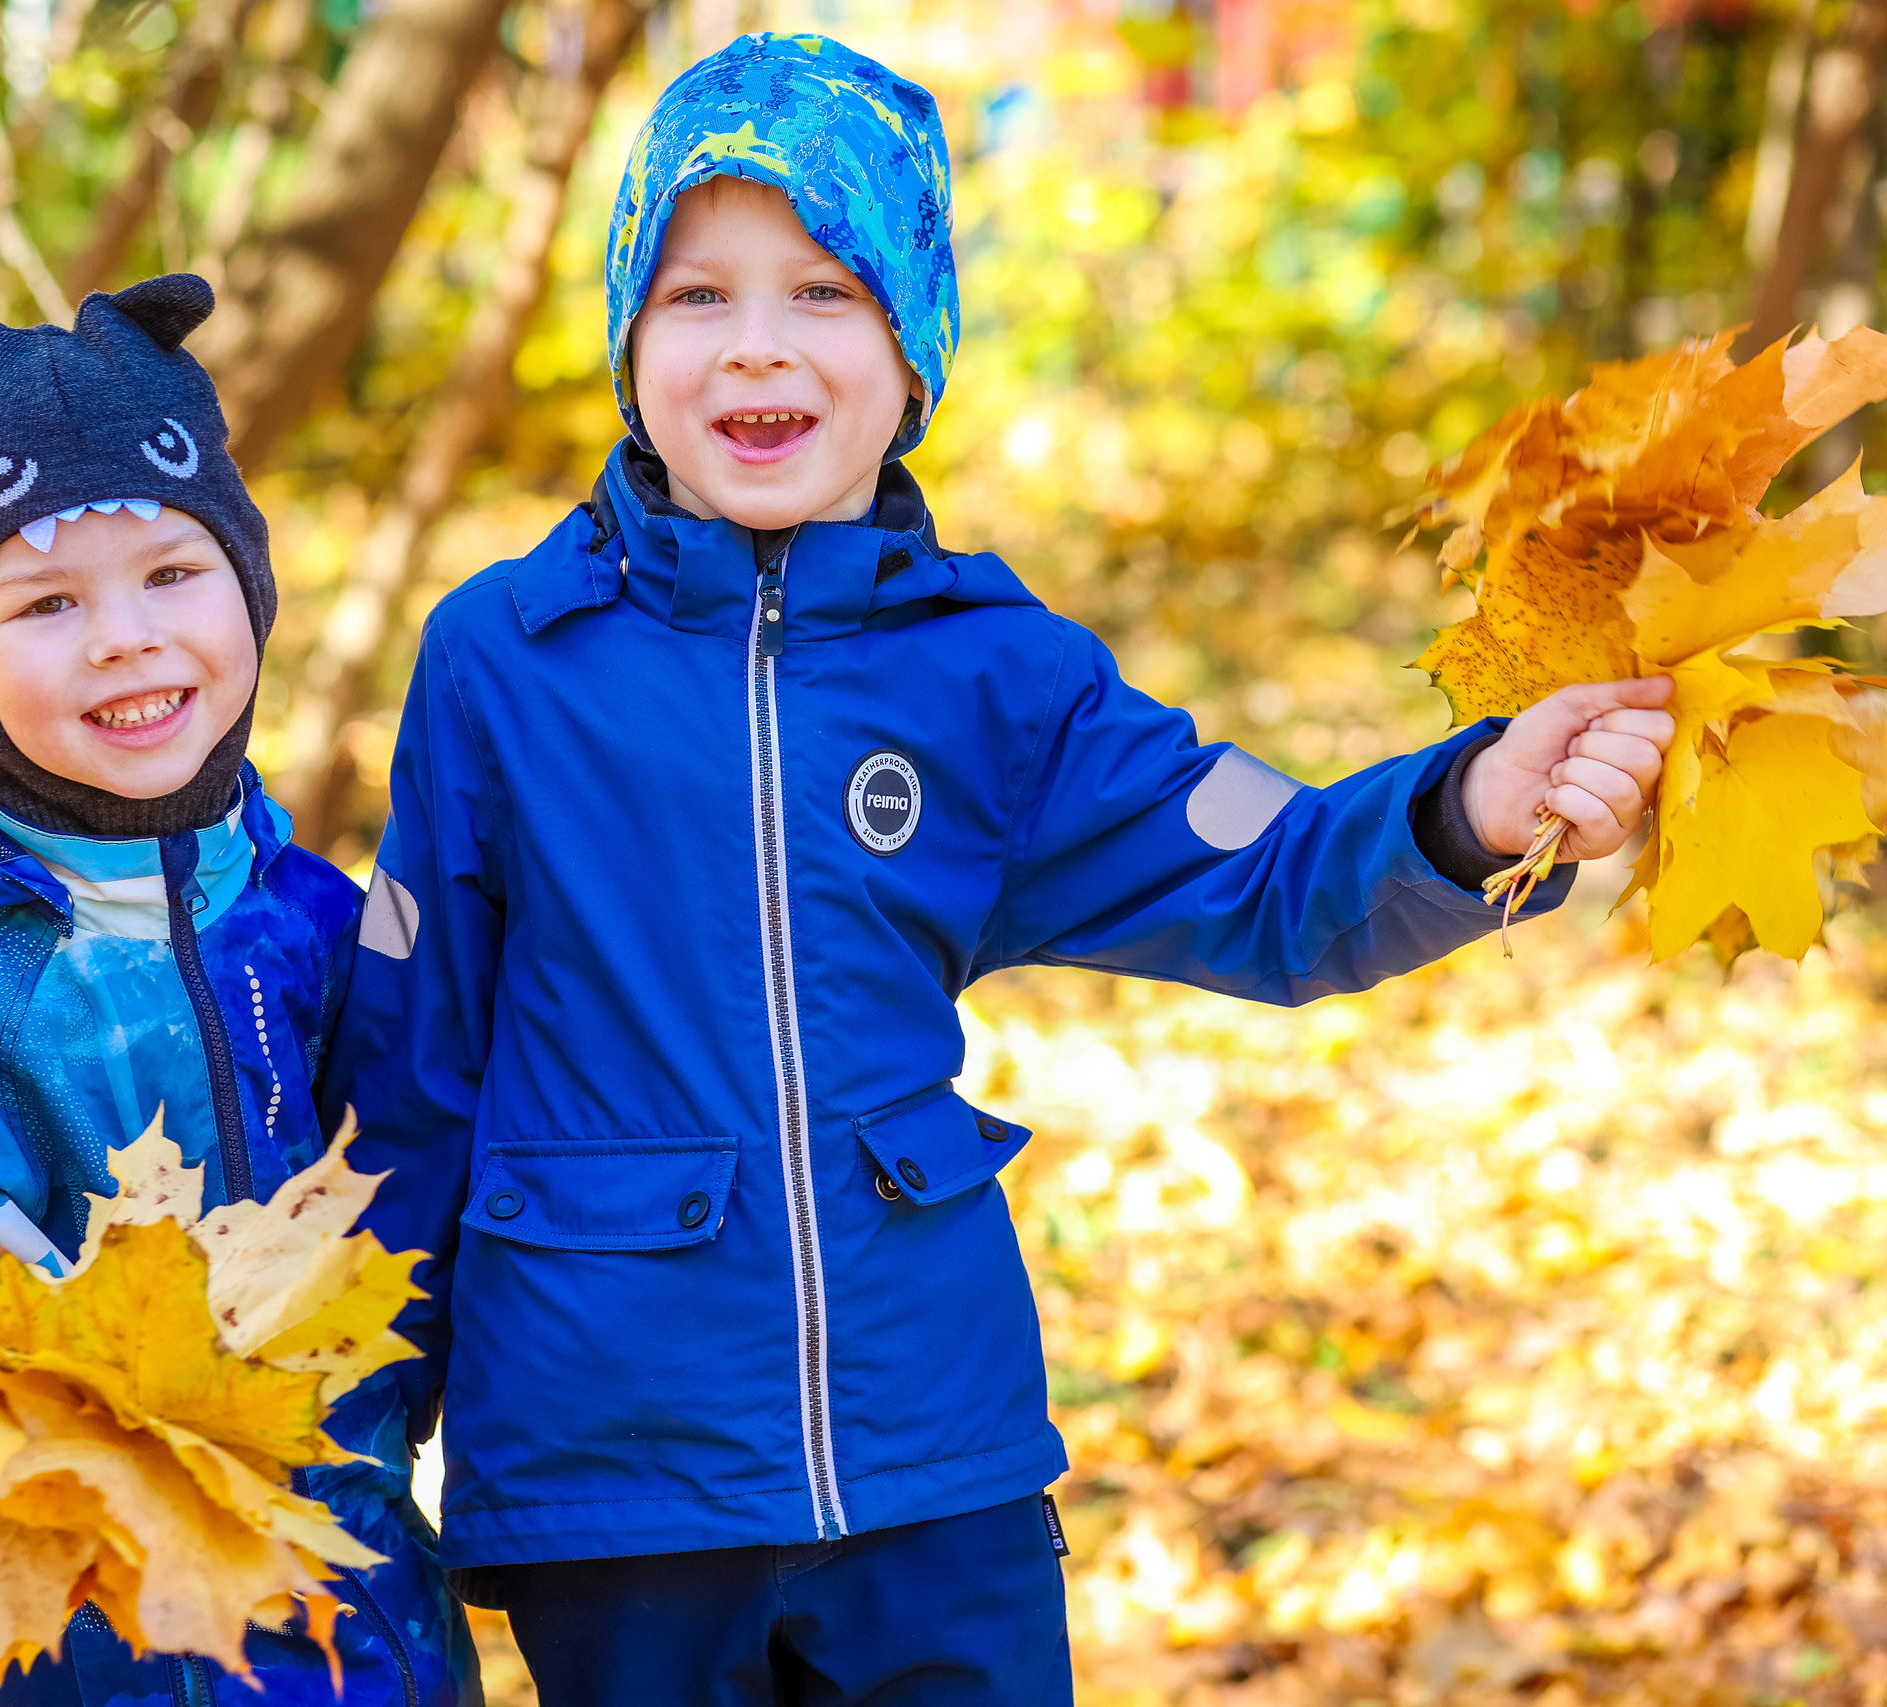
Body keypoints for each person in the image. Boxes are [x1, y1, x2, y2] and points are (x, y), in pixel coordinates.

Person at [328, 35, 1673, 1705]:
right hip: (619, 1475)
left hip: (935, 1461)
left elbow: (1261, 878)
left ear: (914, 355)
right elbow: (416, 1072)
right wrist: (345, 1447)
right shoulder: (507, 662)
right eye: (697, 296)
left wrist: (1473, 806)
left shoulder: (996, 672)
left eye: (827, 293)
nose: (759, 345)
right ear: (627, 337)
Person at [0, 274, 477, 1707]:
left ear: (247, 588)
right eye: (45, 601)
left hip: (362, 1618)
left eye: (172, 574)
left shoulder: (310, 917)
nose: (123, 637)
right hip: (94, 1641)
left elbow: (430, 1209)